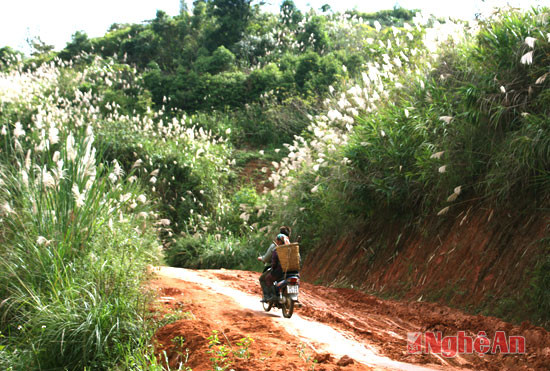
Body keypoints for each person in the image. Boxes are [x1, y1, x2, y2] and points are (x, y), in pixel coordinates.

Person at [258, 226, 290, 302]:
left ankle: (269, 296)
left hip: (279, 270)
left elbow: (267, 259)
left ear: (278, 239)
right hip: (291, 271)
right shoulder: (292, 246)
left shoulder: (276, 247)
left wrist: (262, 259)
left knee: (263, 278)